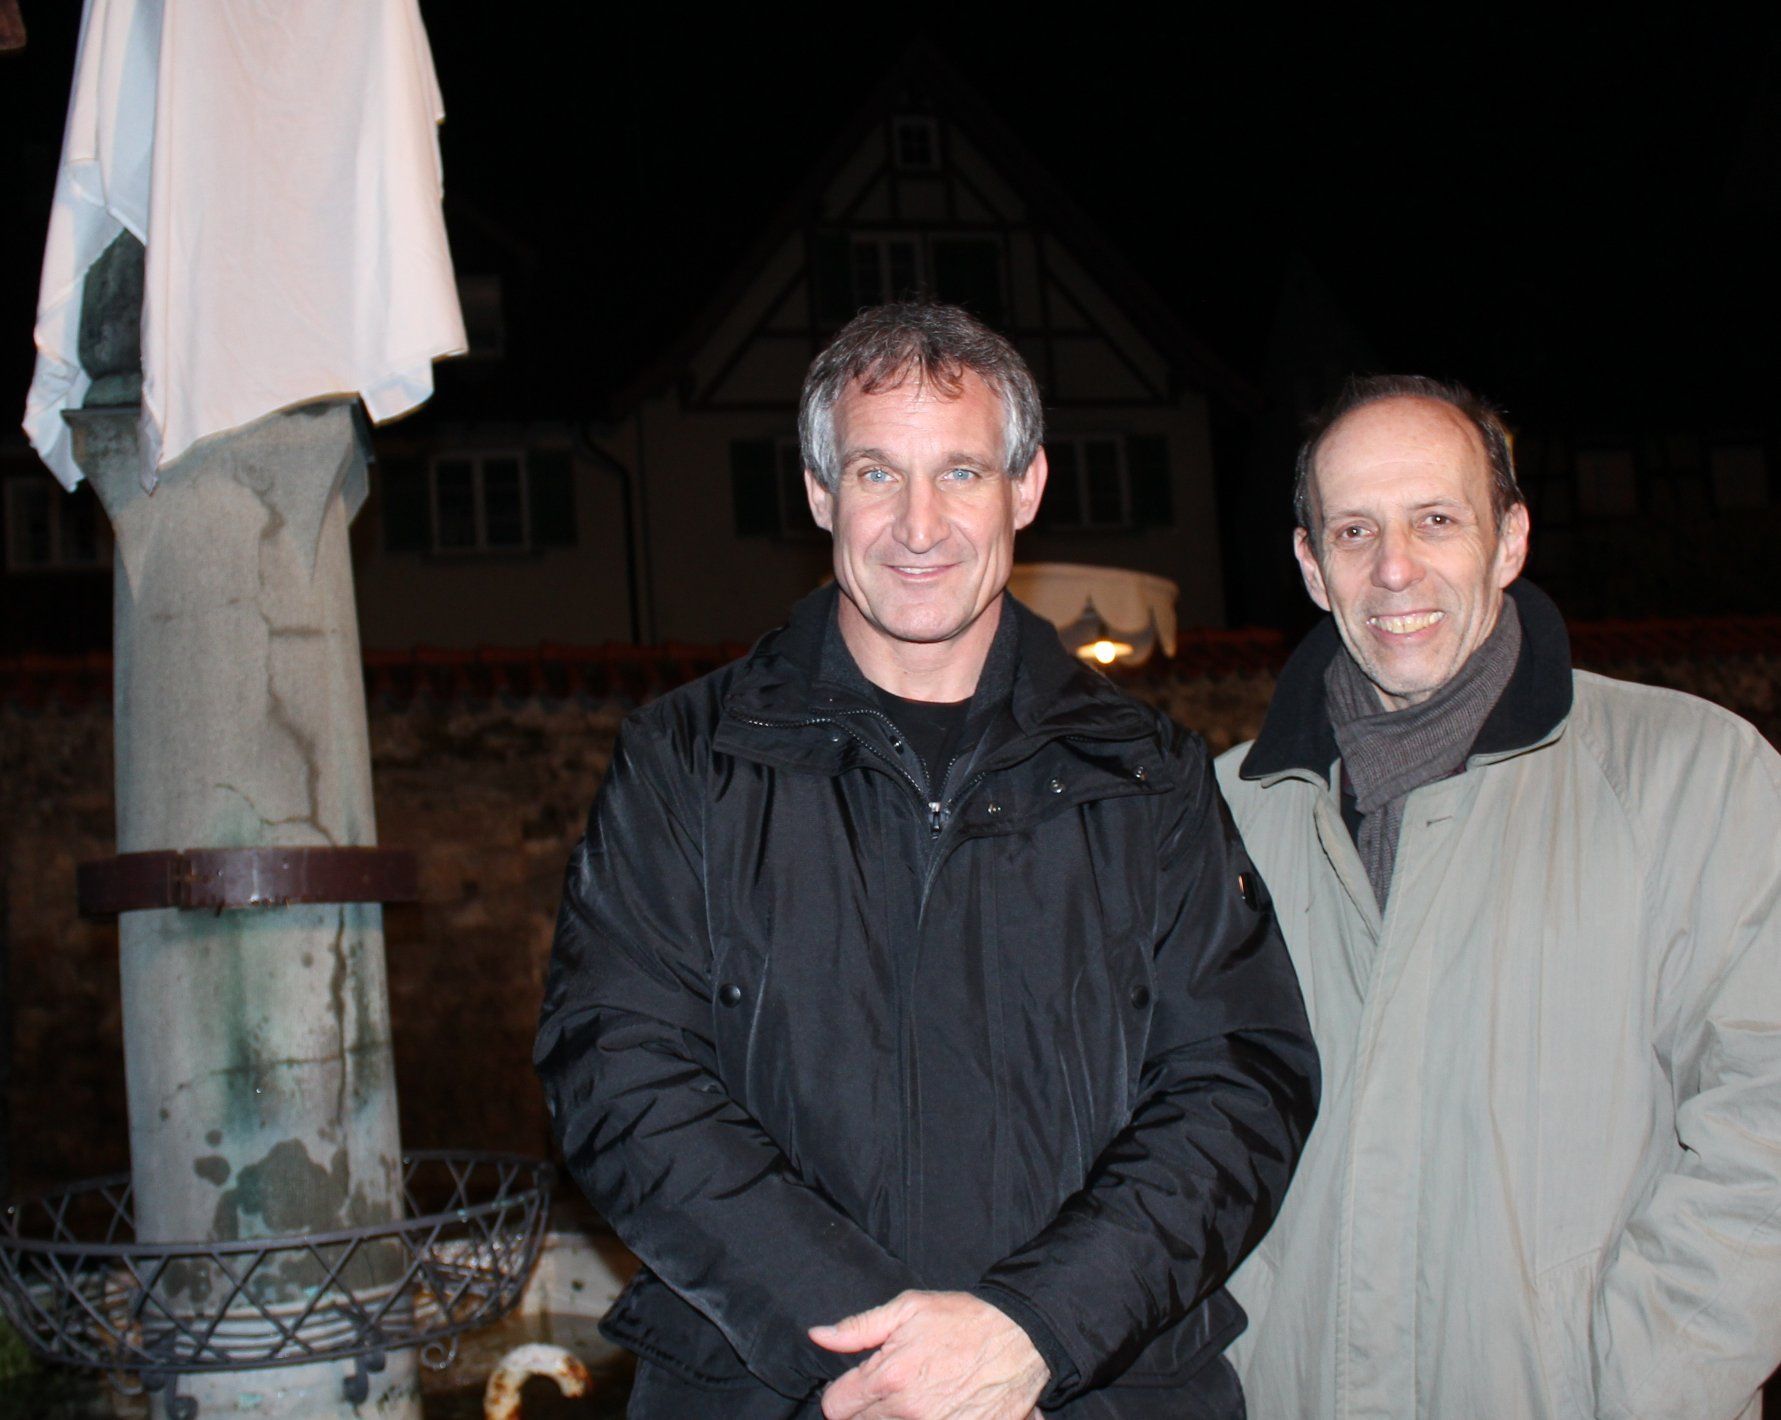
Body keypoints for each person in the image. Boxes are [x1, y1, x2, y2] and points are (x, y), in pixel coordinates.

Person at [535, 302, 1319, 1419]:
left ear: (1025, 488)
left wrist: (1035, 1328)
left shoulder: (1150, 776)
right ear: (819, 492)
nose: (918, 525)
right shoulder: (686, 763)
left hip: (1094, 1389)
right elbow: (619, 1075)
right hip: (778, 1392)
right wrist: (888, 1360)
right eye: (875, 473)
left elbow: (1236, 1084)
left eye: (959, 472)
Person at [1217, 374, 1781, 1419]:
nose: (1394, 568)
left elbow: (1765, 1132)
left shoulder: (1691, 777)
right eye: (1353, 531)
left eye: (1435, 520)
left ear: (1509, 539)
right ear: (1309, 565)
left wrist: (1634, 1393)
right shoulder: (1220, 820)